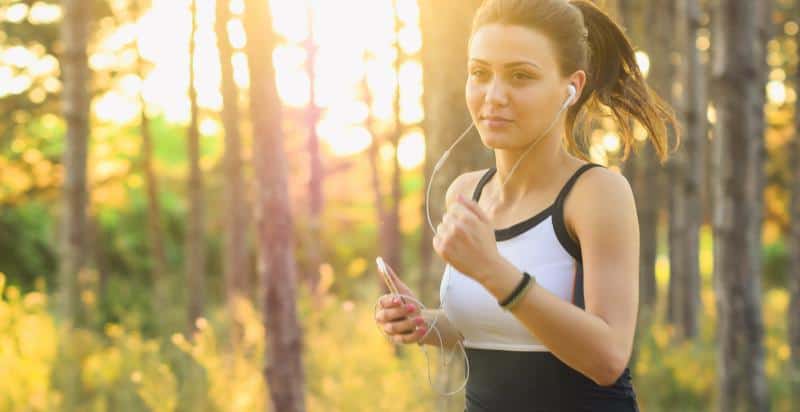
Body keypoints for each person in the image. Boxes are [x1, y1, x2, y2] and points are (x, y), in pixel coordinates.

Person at [375, 0, 678, 410]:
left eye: (521, 76)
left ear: (570, 87)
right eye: (480, 73)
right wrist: (425, 324)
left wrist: (493, 271)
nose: (493, 96)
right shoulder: (466, 193)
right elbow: (492, 329)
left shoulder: (595, 193)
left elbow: (608, 357)